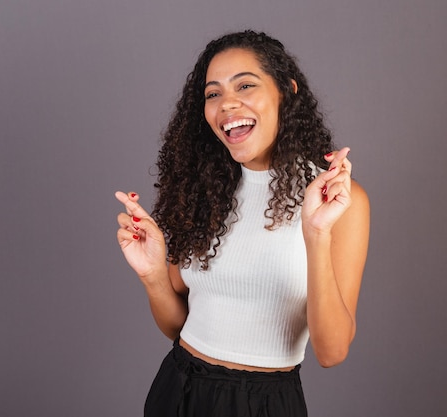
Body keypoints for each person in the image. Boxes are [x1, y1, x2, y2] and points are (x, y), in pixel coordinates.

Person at [115, 30, 370, 417]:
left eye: (245, 85)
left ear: (287, 91)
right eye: (213, 93)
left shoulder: (336, 200)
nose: (226, 104)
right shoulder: (203, 188)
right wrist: (152, 275)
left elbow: (332, 352)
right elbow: (177, 327)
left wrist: (316, 233)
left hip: (263, 403)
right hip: (177, 389)